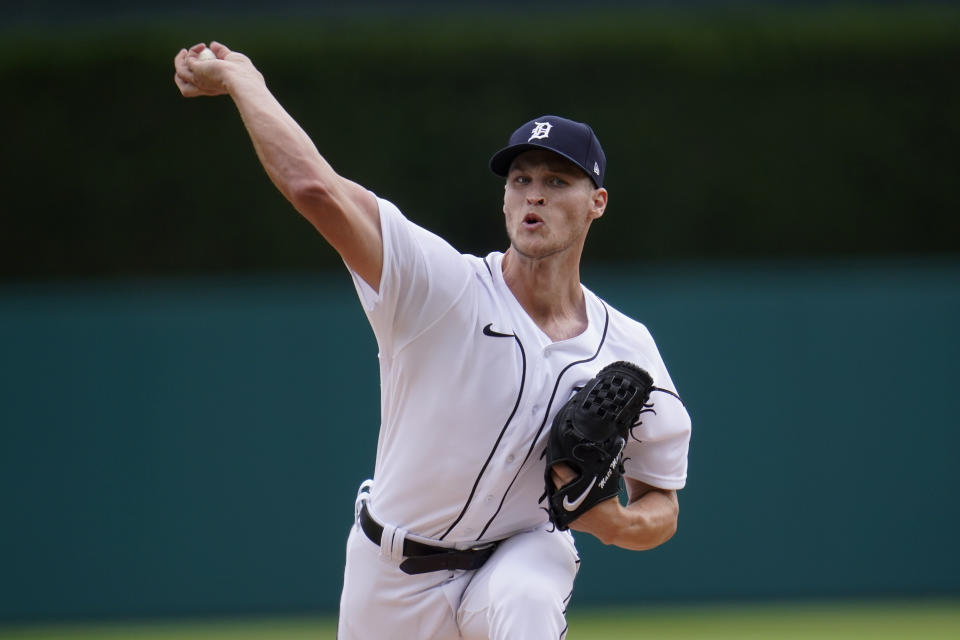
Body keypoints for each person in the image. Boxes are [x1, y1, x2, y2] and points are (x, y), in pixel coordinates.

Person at [174, 41, 691, 640]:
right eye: (520, 179)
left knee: (528, 592)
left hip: (519, 555)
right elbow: (315, 189)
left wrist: (617, 524)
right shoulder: (442, 288)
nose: (535, 194)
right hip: (390, 574)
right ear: (504, 197)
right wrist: (244, 79)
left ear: (596, 203)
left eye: (557, 180)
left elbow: (663, 503)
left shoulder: (628, 345)